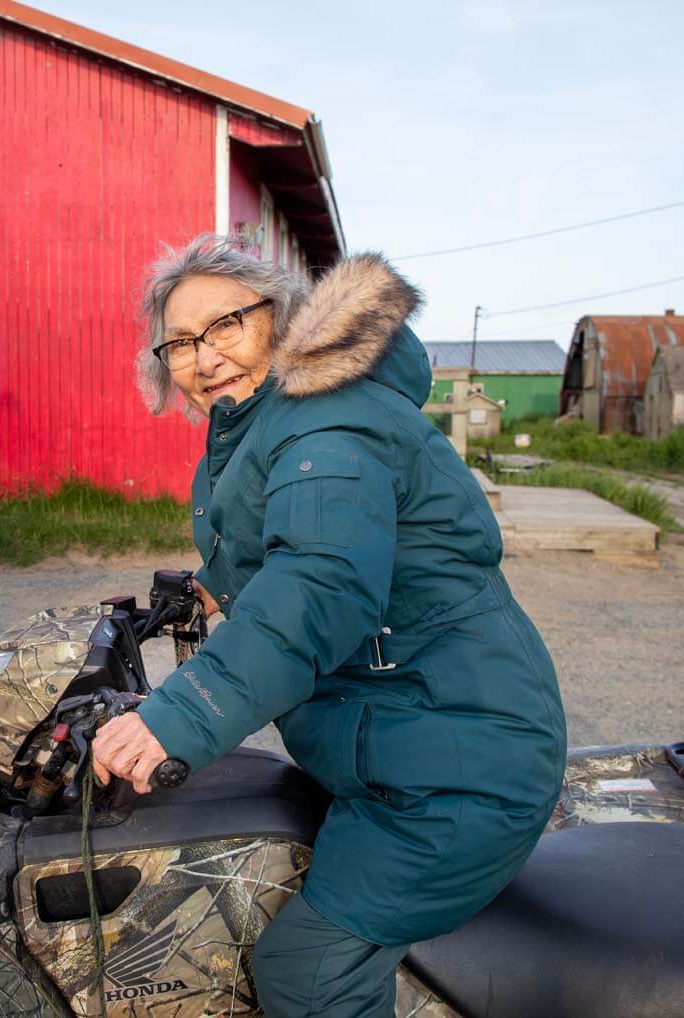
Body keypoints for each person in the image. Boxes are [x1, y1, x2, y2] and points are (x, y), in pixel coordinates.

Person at [91, 235, 567, 1017]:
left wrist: (179, 715)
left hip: (456, 773)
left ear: (280, 318)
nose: (204, 357)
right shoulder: (267, 418)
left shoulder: (329, 417)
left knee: (306, 970)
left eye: (225, 326)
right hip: (403, 741)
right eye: (180, 341)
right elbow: (289, 539)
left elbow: (323, 580)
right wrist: (211, 590)